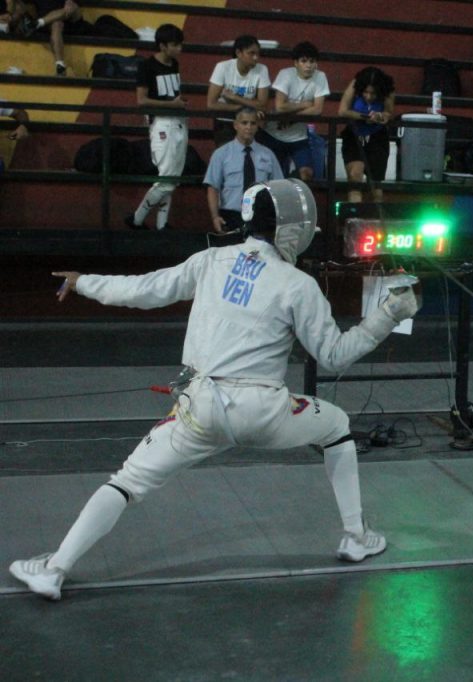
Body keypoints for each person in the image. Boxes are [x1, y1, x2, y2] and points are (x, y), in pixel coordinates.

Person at [8, 179, 421, 601]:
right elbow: (334, 355)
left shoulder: (210, 260)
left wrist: (83, 282)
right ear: (293, 231)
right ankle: (356, 536)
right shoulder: (297, 285)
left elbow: (143, 290)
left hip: (198, 409)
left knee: (126, 482)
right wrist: (389, 313)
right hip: (264, 413)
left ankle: (54, 570)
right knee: (336, 425)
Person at [124, 24, 187, 232]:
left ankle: (161, 224)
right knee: (167, 179)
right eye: (175, 45)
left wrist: (176, 105)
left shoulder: (174, 64)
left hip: (178, 121)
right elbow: (141, 100)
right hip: (162, 123)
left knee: (171, 178)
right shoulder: (146, 66)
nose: (179, 49)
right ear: (162, 46)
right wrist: (172, 104)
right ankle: (137, 218)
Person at [257, 41, 329, 182]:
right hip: (274, 134)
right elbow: (280, 106)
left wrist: (291, 118)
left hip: (298, 137)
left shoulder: (320, 76)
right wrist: (305, 104)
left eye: (312, 61)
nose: (308, 65)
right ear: (296, 63)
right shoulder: (285, 74)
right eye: (304, 61)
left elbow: (317, 109)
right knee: (272, 176)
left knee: (307, 173)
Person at [204, 107, 283, 233]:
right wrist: (215, 217)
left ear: (257, 126)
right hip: (231, 216)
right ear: (236, 125)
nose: (248, 127)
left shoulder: (268, 155)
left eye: (253, 123)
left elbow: (279, 187)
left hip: (261, 216)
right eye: (244, 123)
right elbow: (213, 187)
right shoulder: (221, 154)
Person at [337, 66, 395, 205]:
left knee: (376, 187)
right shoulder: (355, 84)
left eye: (373, 93)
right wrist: (364, 117)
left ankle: (375, 215)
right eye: (365, 92)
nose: (368, 96)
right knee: (355, 175)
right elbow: (342, 111)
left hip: (377, 137)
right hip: (354, 135)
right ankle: (355, 213)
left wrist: (379, 116)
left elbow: (388, 113)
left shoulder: (388, 89)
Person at [206, 35, 271, 145]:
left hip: (249, 122)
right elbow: (211, 104)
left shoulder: (262, 69)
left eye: (257, 54)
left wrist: (234, 97)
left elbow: (262, 105)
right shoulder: (222, 67)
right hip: (225, 121)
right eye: (251, 53)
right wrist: (243, 108)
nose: (256, 57)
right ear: (238, 53)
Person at [11, 0, 85, 76]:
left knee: (69, 9)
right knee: (56, 24)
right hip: (48, 23)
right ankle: (60, 66)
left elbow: (71, 8)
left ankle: (37, 24)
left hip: (70, 22)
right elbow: (25, 7)